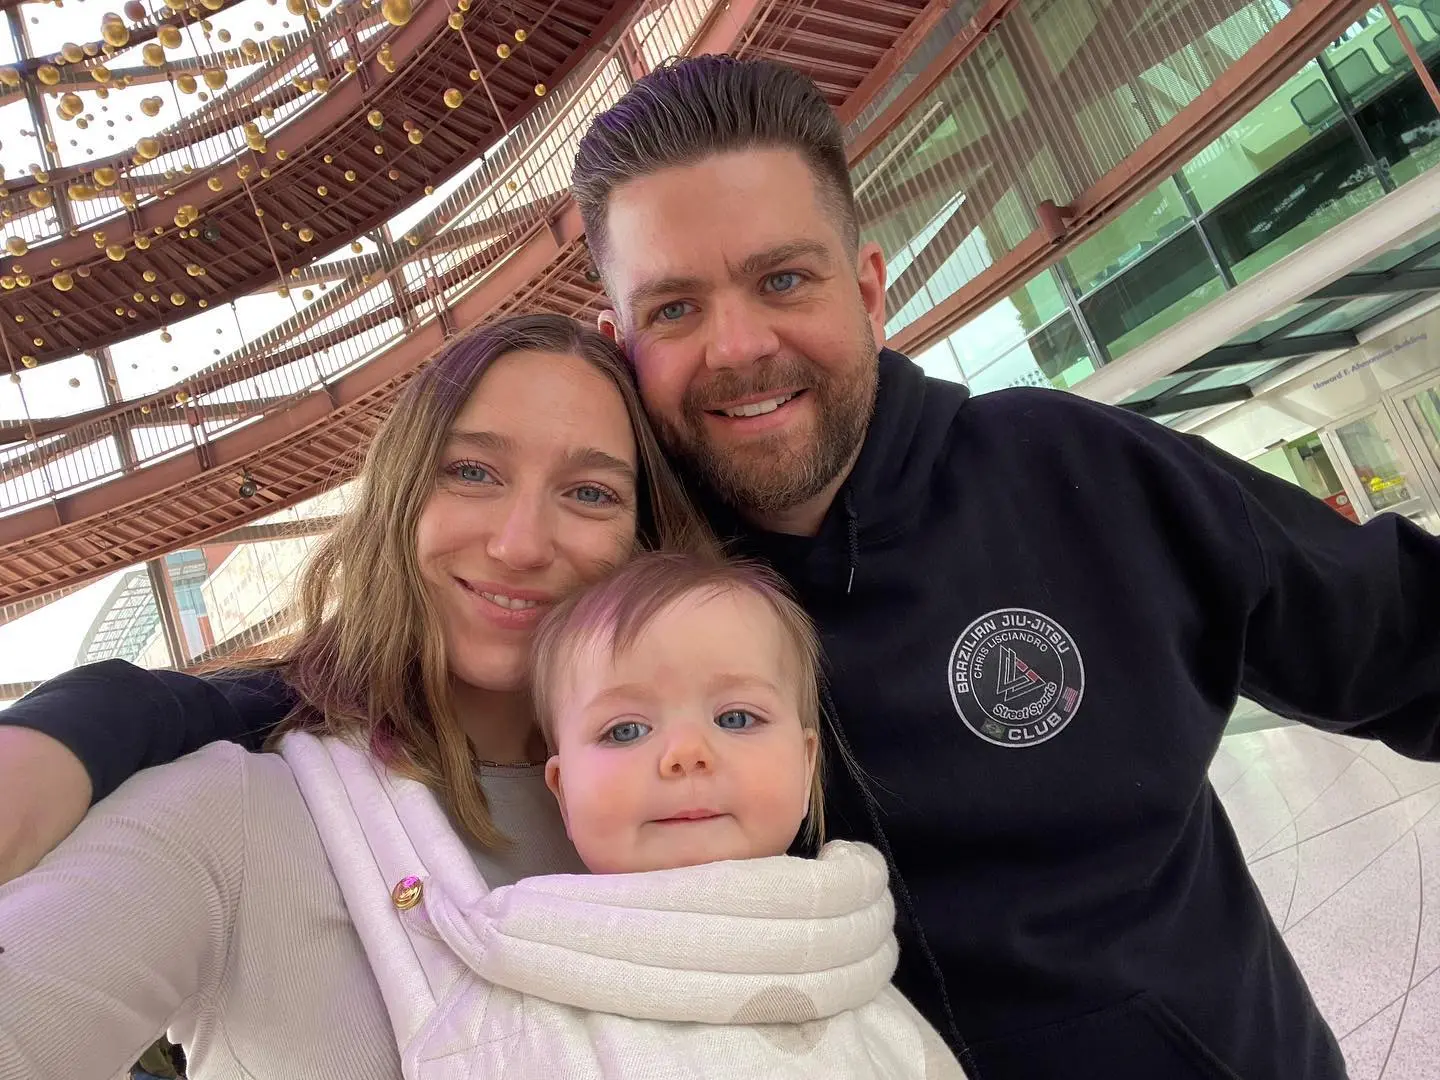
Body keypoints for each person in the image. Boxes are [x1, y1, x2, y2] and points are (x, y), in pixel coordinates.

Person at [3, 54, 1440, 1080]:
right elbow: (393, 660)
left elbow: (1407, 638)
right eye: (677, 306)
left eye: (786, 280)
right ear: (627, 339)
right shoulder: (633, 579)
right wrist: (98, 717)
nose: (740, 345)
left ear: (870, 289)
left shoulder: (1080, 475)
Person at [0, 313, 714, 1078]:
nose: (521, 544)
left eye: (591, 492)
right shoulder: (232, 818)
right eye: (472, 472)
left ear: (645, 537)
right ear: (399, 498)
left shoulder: (713, 797)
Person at [275, 551, 964, 1077]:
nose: (686, 754)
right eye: (626, 730)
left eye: (736, 716)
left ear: (807, 761)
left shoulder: (860, 962)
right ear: (562, 792)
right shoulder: (514, 984)